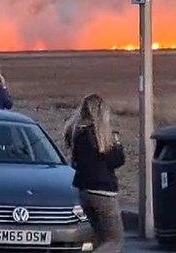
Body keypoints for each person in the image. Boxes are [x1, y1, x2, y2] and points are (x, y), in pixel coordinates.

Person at [64, 94, 125, 253]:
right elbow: (116, 160)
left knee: (99, 238)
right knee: (114, 240)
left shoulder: (76, 133)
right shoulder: (100, 136)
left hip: (84, 192)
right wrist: (117, 144)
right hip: (103, 193)